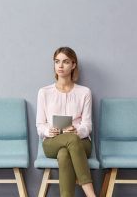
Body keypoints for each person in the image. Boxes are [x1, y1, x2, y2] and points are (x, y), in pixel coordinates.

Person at [36, 47, 96, 197]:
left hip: (81, 142)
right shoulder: (44, 92)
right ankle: (91, 195)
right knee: (65, 146)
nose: (60, 66)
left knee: (64, 154)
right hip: (52, 142)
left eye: (65, 62)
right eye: (57, 62)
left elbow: (88, 125)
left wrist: (77, 131)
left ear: (73, 65)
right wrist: (47, 131)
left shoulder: (84, 92)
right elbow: (39, 125)